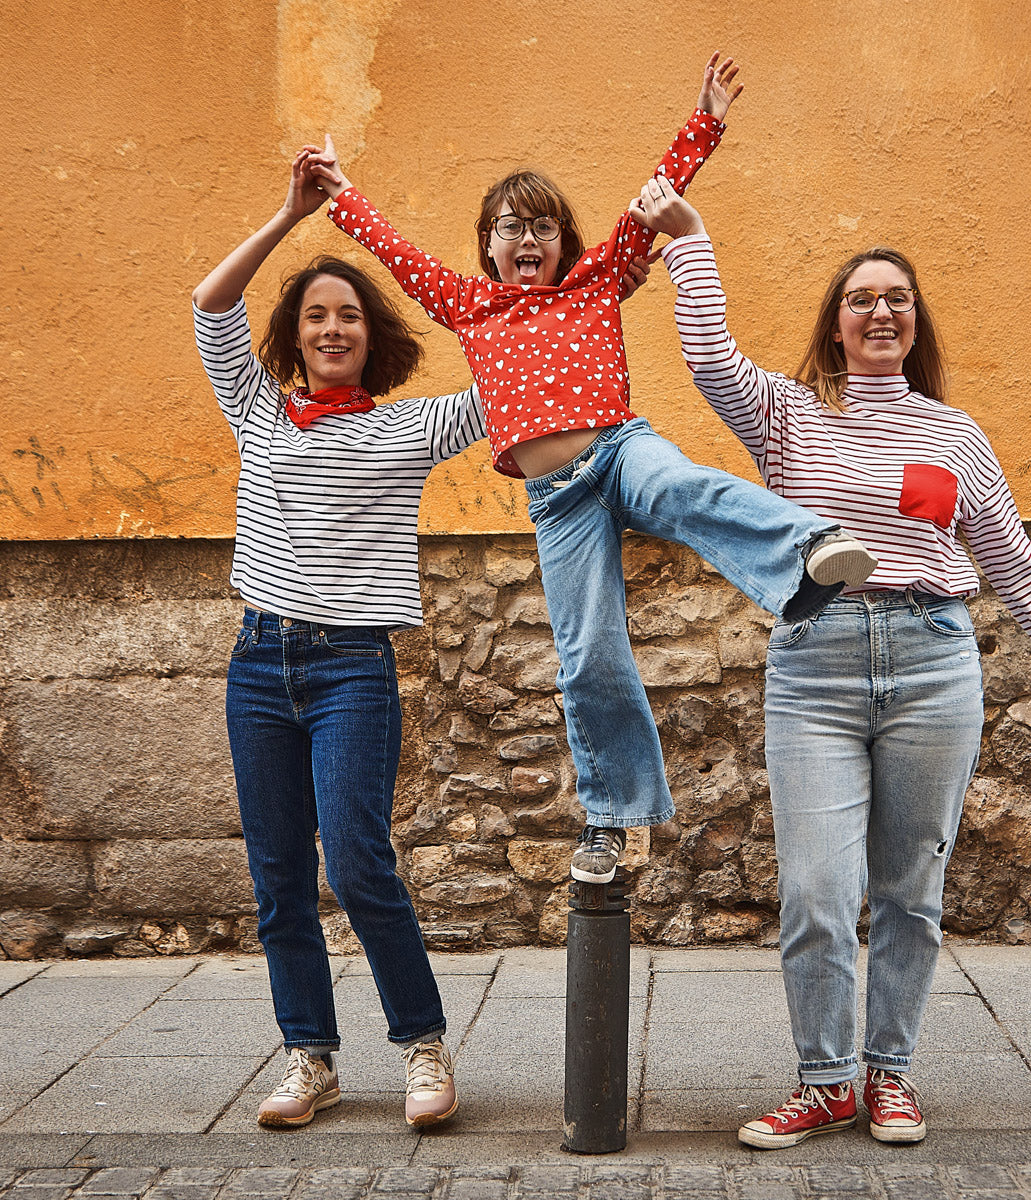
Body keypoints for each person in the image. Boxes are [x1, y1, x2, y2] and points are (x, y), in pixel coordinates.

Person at [305, 54, 879, 886]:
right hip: (558, 501)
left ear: (563, 241)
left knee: (685, 488)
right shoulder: (467, 303)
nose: (527, 238)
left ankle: (810, 550)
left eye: (541, 226)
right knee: (589, 654)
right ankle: (610, 820)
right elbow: (393, 251)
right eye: (510, 227)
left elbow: (656, 196)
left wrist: (706, 118)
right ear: (489, 246)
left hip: (618, 448)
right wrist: (340, 192)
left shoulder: (595, 280)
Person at [632, 176, 1031, 1148]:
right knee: (816, 891)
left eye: (898, 296)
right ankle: (825, 1081)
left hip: (936, 665)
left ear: (915, 321)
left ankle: (890, 1075)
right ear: (837, 325)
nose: (882, 308)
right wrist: (689, 238)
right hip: (818, 661)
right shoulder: (789, 415)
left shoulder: (955, 434)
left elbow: (1009, 553)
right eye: (863, 298)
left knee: (910, 889)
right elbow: (709, 359)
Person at [191, 146, 489, 1130]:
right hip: (257, 664)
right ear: (295, 332)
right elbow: (208, 302)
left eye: (348, 315)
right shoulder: (258, 410)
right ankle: (309, 1056)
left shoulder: (409, 429)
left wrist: (544, 291)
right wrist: (290, 215)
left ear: (372, 339)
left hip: (353, 668)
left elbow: (509, 382)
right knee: (278, 872)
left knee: (358, 859)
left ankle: (422, 1044)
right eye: (315, 313)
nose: (330, 326)